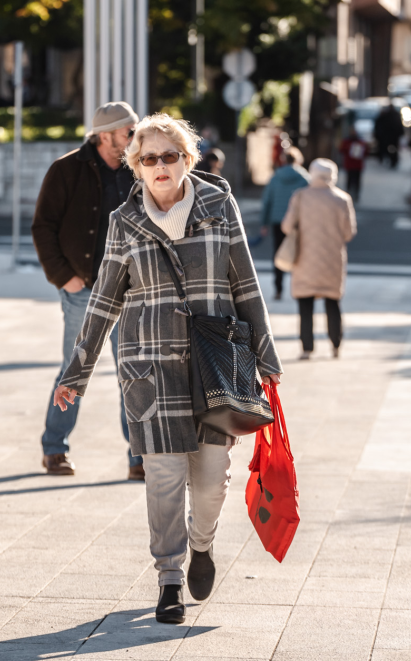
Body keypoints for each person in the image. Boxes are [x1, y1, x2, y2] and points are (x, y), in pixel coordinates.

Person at [52, 113, 283, 624]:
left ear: (187, 160)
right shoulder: (123, 222)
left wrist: (266, 354)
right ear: (135, 166)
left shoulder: (219, 205)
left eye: (170, 156)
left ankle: (202, 544)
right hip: (149, 368)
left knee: (210, 480)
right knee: (161, 478)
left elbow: (245, 283)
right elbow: (104, 302)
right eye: (149, 158)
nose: (160, 165)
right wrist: (77, 373)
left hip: (214, 363)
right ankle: (169, 579)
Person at [31, 101, 143, 479]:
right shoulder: (66, 170)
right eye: (129, 132)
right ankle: (55, 450)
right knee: (74, 370)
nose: (134, 138)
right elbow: (43, 226)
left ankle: (139, 457)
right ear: (105, 135)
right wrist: (64, 276)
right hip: (82, 289)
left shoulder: (138, 171)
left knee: (133, 373)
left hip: (129, 291)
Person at [280, 159, 356, 360]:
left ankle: (307, 347)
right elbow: (349, 233)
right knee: (333, 302)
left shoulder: (301, 196)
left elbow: (287, 226)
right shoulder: (342, 199)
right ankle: (336, 344)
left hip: (305, 258)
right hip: (333, 259)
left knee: (305, 305)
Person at [260, 148, 309, 300]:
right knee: (299, 255)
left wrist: (264, 223)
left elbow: (267, 201)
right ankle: (298, 288)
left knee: (278, 255)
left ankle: (278, 289)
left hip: (277, 220)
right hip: (298, 222)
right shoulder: (305, 178)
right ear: (298, 160)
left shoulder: (275, 177)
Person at [337, 127, 368, 203]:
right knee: (349, 180)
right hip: (350, 165)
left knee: (357, 181)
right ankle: (348, 194)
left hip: (357, 166)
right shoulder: (347, 141)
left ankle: (356, 195)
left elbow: (366, 153)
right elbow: (341, 150)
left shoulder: (361, 142)